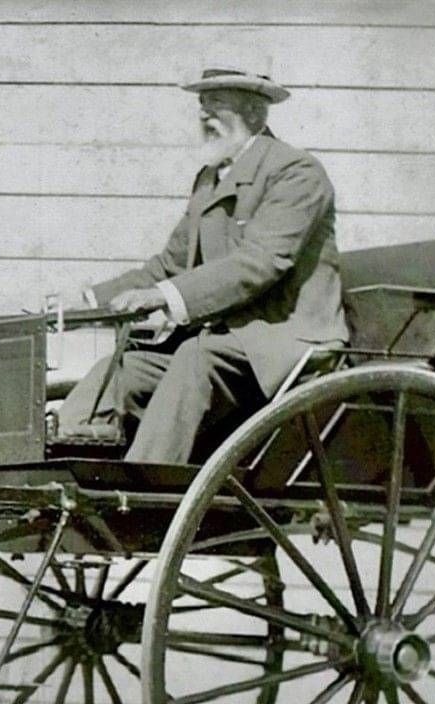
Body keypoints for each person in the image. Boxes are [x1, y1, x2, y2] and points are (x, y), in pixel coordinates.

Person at [49, 65, 349, 463]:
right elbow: (170, 265)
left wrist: (161, 296)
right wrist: (87, 302)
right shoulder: (210, 179)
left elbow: (260, 262)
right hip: (226, 342)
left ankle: (142, 487)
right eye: (202, 103)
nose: (204, 113)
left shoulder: (295, 172)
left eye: (216, 102)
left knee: (194, 357)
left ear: (254, 112)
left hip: (283, 340)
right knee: (121, 370)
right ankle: (61, 469)